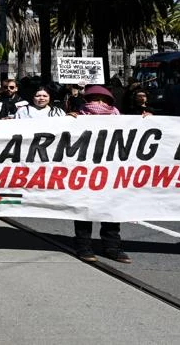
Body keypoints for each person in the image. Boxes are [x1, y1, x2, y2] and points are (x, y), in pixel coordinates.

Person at [70, 84, 130, 264]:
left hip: (111, 171)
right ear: (87, 101)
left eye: (103, 100)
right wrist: (67, 121)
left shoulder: (120, 118)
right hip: (83, 171)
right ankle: (83, 246)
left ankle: (112, 246)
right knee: (83, 210)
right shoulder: (77, 117)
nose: (99, 103)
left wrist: (147, 121)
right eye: (95, 99)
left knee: (111, 210)